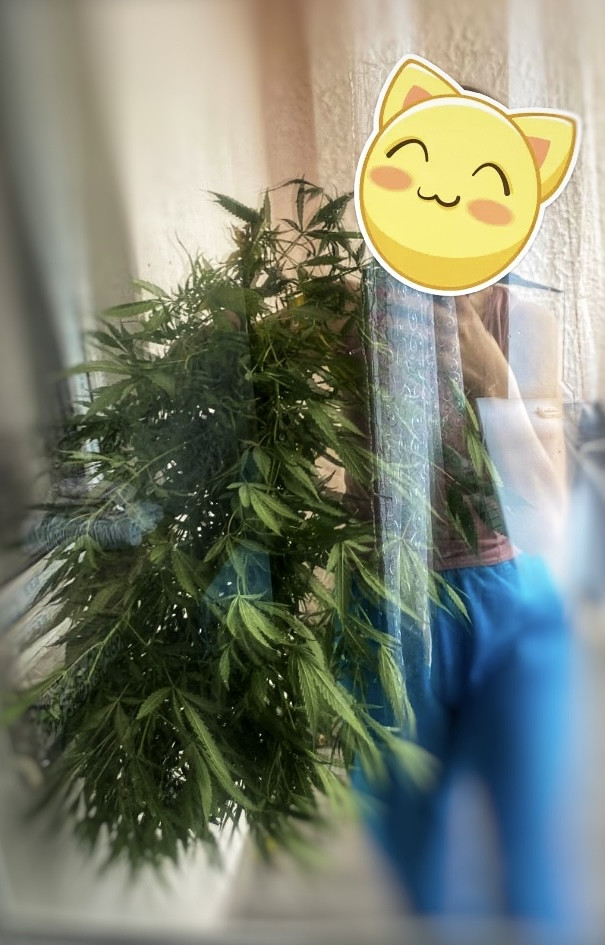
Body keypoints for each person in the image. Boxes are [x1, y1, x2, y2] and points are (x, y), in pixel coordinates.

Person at [346, 269, 574, 923]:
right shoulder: (345, 312)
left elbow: (547, 518)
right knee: (410, 843)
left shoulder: (522, 322)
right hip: (386, 603)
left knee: (533, 851)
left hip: (510, 602)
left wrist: (493, 380)